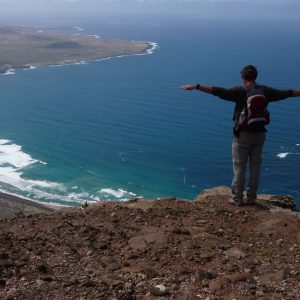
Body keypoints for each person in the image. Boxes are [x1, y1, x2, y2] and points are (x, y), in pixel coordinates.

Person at [180, 65, 300, 206]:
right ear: (256, 76)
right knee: (255, 167)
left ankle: (237, 198)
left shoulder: (240, 91)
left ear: (243, 77)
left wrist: (196, 86)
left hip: (242, 136)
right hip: (260, 134)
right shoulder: (265, 91)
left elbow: (218, 91)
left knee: (239, 167)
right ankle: (251, 198)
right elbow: (287, 93)